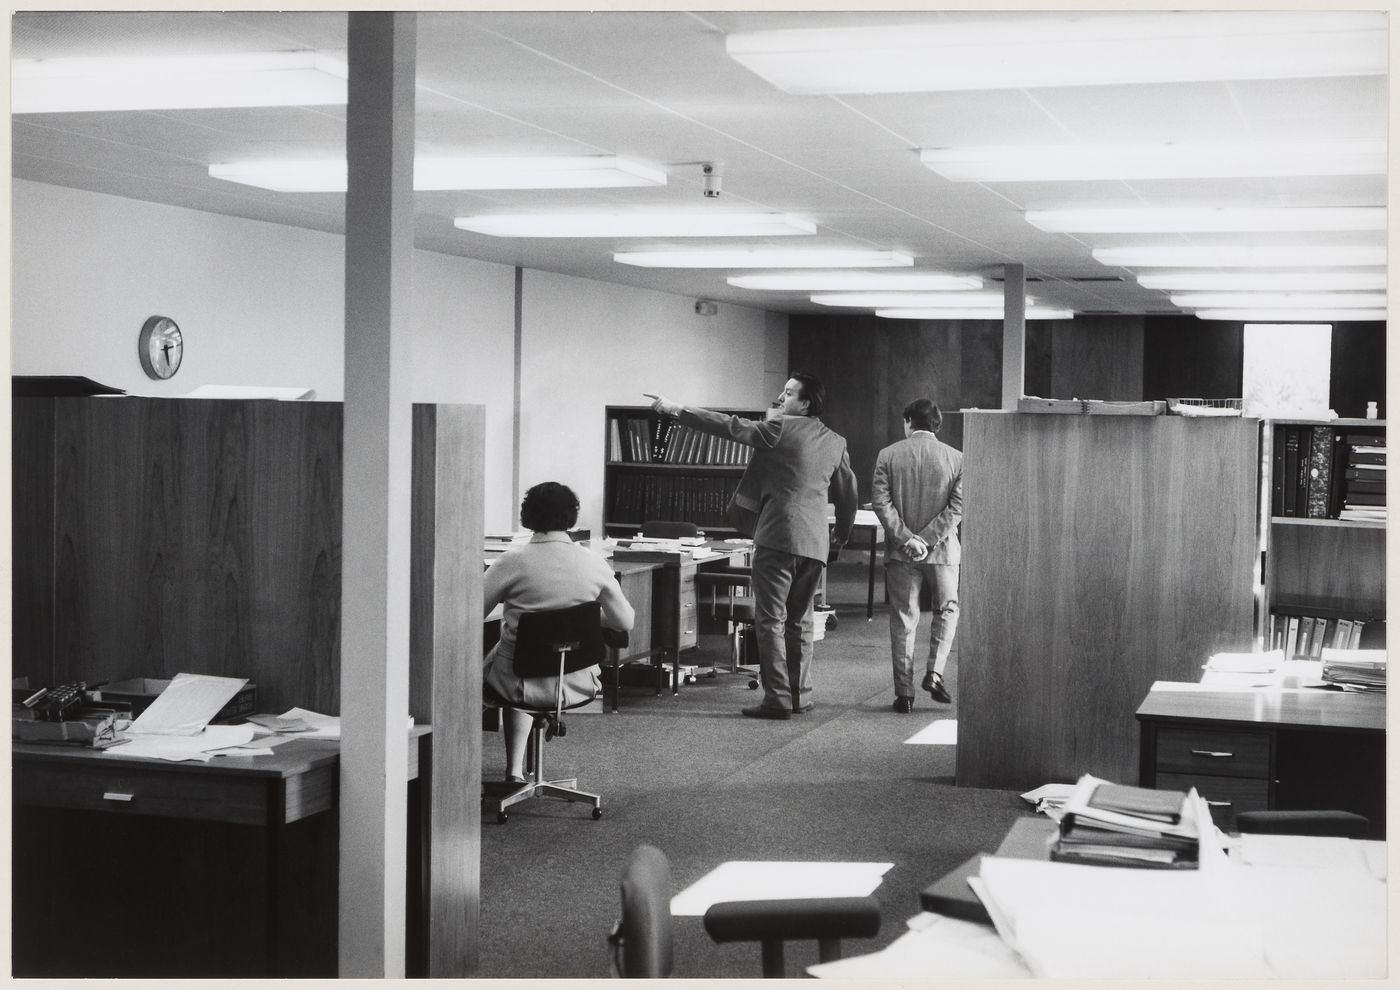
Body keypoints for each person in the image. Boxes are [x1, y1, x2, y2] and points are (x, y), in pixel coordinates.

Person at [645, 374, 857, 720]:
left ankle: (776, 698)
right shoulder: (836, 441)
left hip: (778, 538)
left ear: (804, 403)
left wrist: (676, 409)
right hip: (815, 543)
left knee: (771, 619)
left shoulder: (777, 429)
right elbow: (848, 494)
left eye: (788, 393)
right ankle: (800, 695)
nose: (780, 397)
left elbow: (728, 426)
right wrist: (842, 536)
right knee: (800, 621)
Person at [483, 481, 635, 781]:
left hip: (518, 682)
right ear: (572, 516)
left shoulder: (511, 562)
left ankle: (511, 770)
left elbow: (469, 614)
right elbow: (624, 622)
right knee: (519, 657)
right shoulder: (593, 562)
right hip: (577, 681)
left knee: (507, 657)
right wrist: (582, 619)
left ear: (528, 516)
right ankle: (518, 769)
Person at [871, 397, 963, 713]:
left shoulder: (888, 456)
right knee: (947, 610)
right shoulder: (958, 459)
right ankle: (934, 673)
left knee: (903, 618)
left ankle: (904, 694)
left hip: (901, 554)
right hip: (943, 553)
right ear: (937, 425)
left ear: (908, 421)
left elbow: (881, 503)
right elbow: (957, 508)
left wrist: (908, 540)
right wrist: (927, 539)